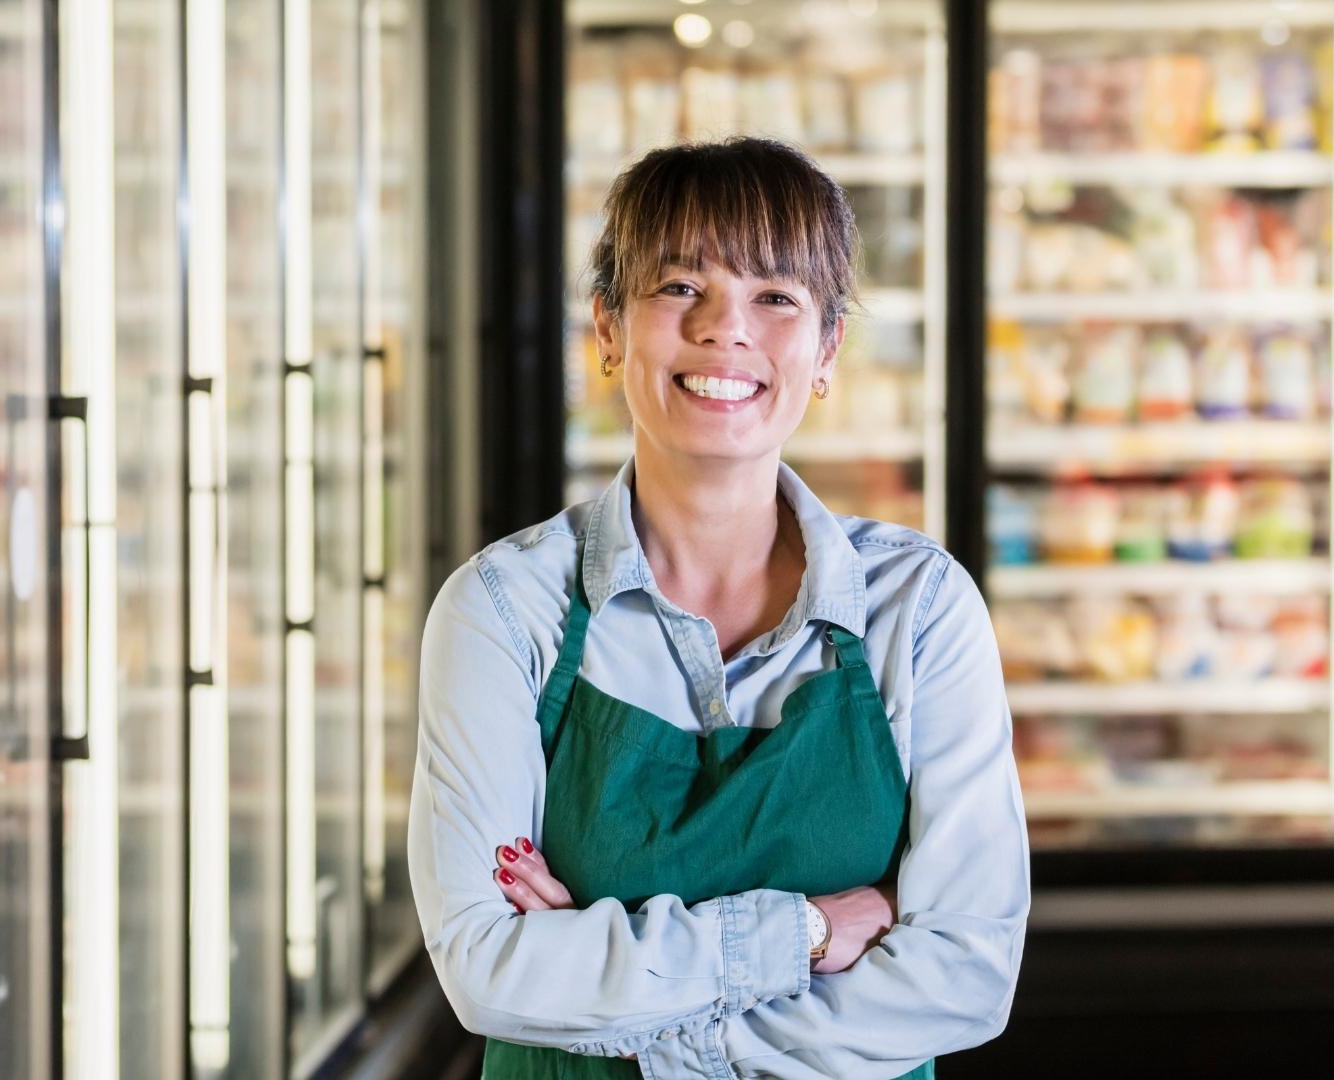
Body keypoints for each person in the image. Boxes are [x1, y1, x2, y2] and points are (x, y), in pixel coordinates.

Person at [408, 137, 1029, 1079]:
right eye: (679, 288)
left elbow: (965, 974)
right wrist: (812, 932)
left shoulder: (920, 607)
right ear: (608, 330)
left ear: (828, 349)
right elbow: (489, 969)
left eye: (776, 297)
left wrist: (632, 1010)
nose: (725, 329)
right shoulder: (505, 608)